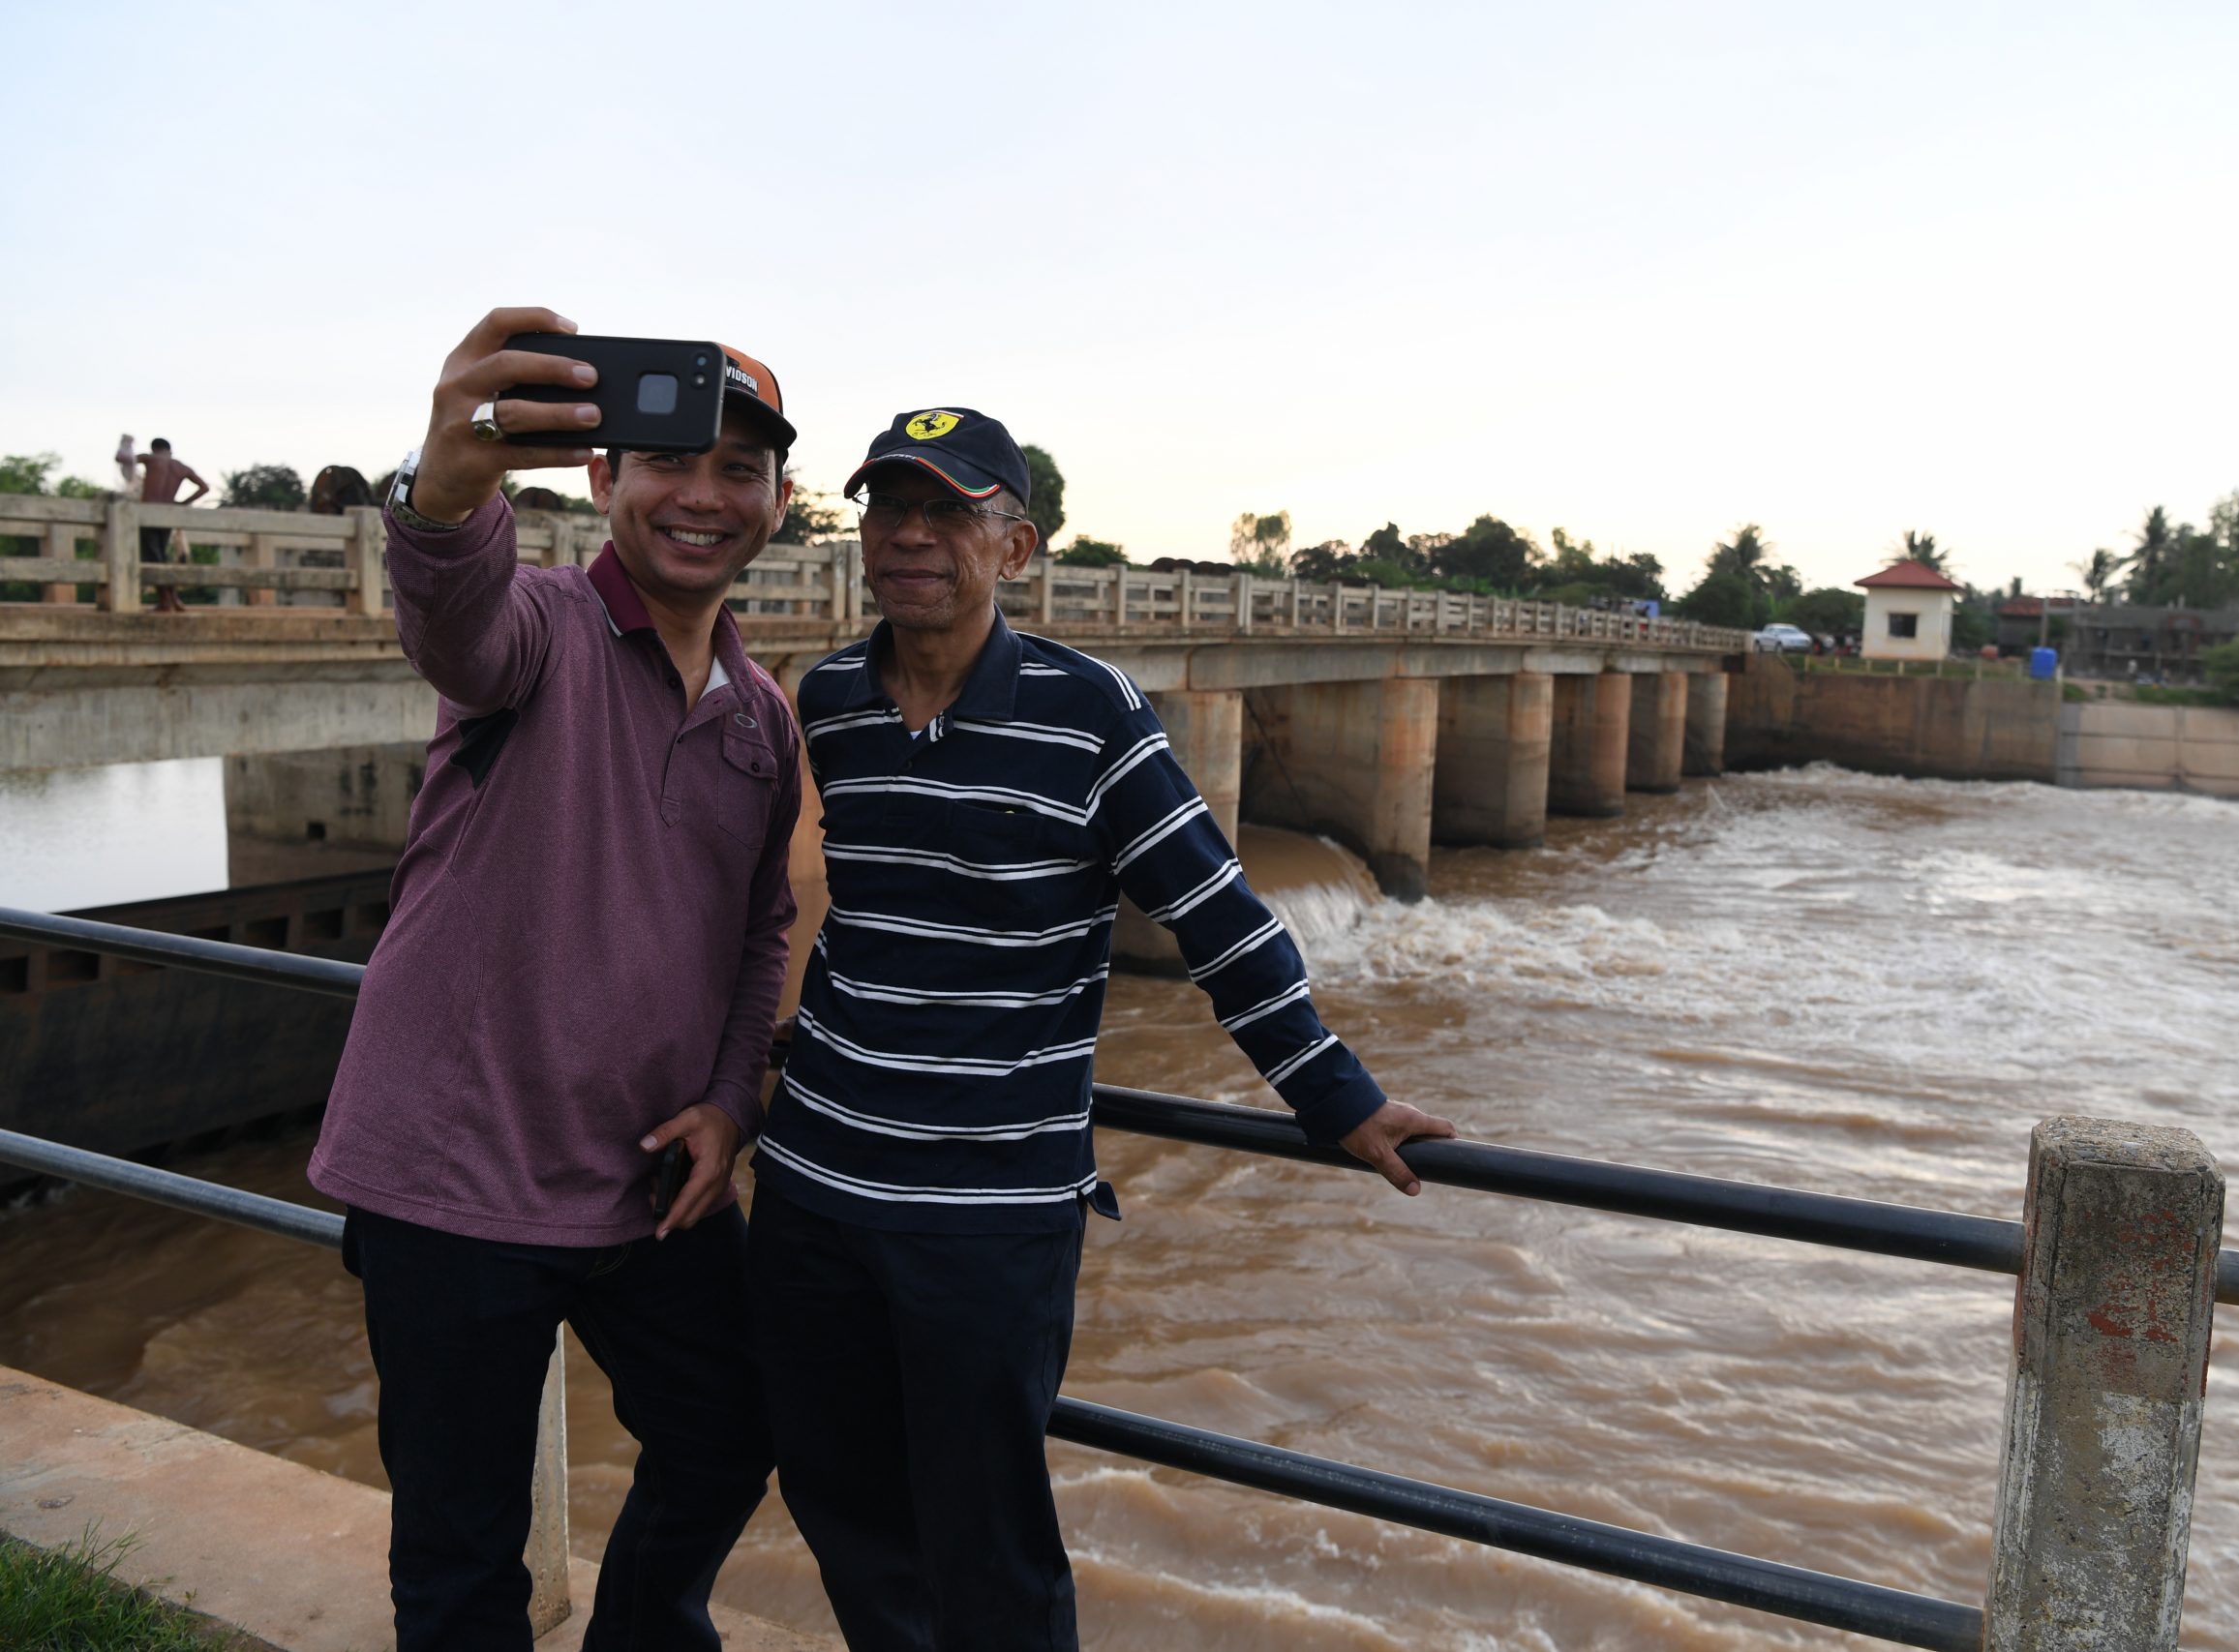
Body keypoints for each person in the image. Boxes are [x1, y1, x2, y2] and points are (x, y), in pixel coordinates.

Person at [748, 405, 1458, 1651]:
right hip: (813, 1188)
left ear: (1014, 548)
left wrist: (1335, 1097)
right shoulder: (832, 700)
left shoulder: (1091, 713)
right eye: (888, 508)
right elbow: (824, 910)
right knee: (839, 1500)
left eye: (948, 512)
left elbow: (1216, 917)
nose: (909, 536)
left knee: (989, 1542)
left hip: (987, 1215)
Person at [306, 308, 803, 1652]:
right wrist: (444, 486)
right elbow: (455, 617)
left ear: (779, 503)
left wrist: (731, 1103)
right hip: (453, 1175)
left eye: (741, 470)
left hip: (647, 1177)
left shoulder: (761, 716)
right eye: (668, 460)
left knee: (732, 1427)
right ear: (599, 476)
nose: (703, 495)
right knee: (461, 1554)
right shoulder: (540, 632)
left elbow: (762, 929)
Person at [121, 435, 209, 612]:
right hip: (167, 514)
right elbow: (204, 488)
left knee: (154, 557)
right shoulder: (181, 467)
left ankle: (166, 600)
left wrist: (125, 443)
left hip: (148, 513)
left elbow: (123, 459)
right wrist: (182, 503)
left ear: (154, 449)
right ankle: (173, 599)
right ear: (170, 450)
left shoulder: (151, 459)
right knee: (161, 556)